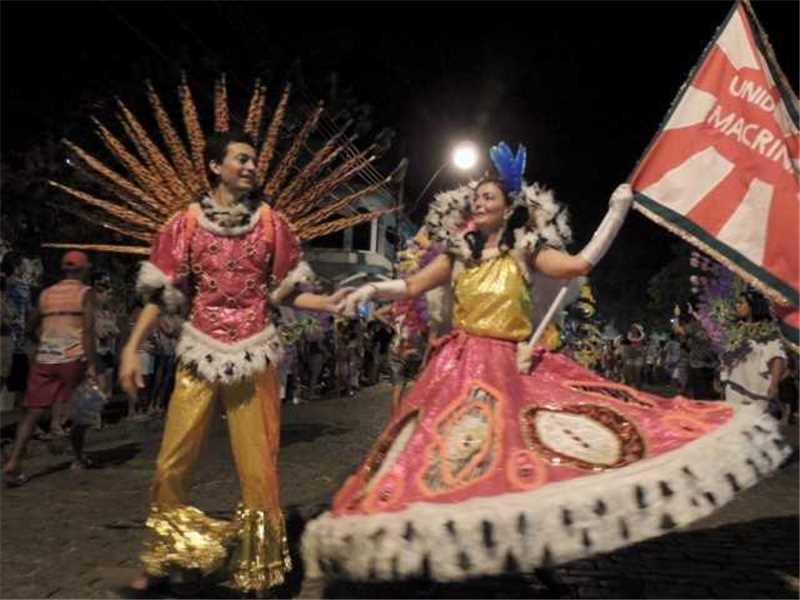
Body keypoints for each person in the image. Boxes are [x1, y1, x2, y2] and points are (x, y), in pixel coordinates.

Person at [301, 143, 789, 583]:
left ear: (508, 207)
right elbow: (409, 287)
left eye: (490, 197)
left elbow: (578, 266)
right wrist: (371, 287)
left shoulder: (526, 250)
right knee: (440, 458)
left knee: (518, 457)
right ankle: (459, 554)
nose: (479, 202)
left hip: (510, 365)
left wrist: (617, 213)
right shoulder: (455, 254)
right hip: (455, 366)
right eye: (476, 197)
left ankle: (508, 552)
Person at [120, 129, 349, 594]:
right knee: (171, 462)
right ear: (214, 166)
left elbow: (290, 288)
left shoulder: (271, 223)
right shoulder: (183, 223)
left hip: (254, 348)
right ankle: (164, 554)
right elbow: (160, 291)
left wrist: (328, 304)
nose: (250, 166)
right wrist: (131, 346)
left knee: (257, 465)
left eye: (253, 160)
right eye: (241, 159)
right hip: (199, 347)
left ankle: (260, 569)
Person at [2, 251, 98, 485]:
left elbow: (31, 326)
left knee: (31, 412)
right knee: (81, 408)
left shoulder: (47, 294)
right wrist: (92, 363)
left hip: (46, 357)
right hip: (73, 357)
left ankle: (14, 462)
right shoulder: (86, 293)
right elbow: (87, 330)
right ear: (85, 269)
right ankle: (77, 457)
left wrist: (42, 343)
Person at [719, 289, 787, 418]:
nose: (737, 306)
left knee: (755, 430)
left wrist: (774, 385)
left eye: (741, 303)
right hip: (734, 388)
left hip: (758, 390)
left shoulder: (768, 331)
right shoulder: (734, 329)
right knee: (735, 429)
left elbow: (778, 358)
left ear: (753, 306)